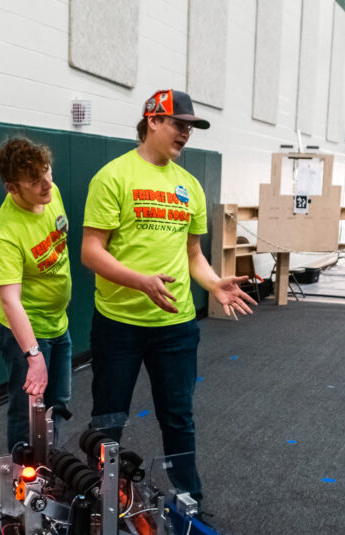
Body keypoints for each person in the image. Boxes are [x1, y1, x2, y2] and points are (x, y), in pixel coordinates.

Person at [80, 88, 256, 504]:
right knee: (108, 420)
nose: (186, 134)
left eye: (191, 127)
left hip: (175, 327)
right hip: (118, 324)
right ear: (153, 120)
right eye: (179, 124)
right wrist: (139, 280)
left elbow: (193, 254)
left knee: (179, 418)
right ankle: (101, 502)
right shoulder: (114, 176)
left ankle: (188, 500)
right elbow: (91, 250)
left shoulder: (189, 187)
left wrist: (213, 284)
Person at [0, 137, 72, 451]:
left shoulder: (52, 193)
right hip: (24, 331)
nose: (47, 185)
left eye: (48, 173)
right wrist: (33, 356)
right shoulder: (3, 235)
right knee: (29, 409)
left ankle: (51, 464)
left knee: (57, 402)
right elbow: (10, 300)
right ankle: (24, 485)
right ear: (12, 188)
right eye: (36, 182)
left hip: (57, 322)